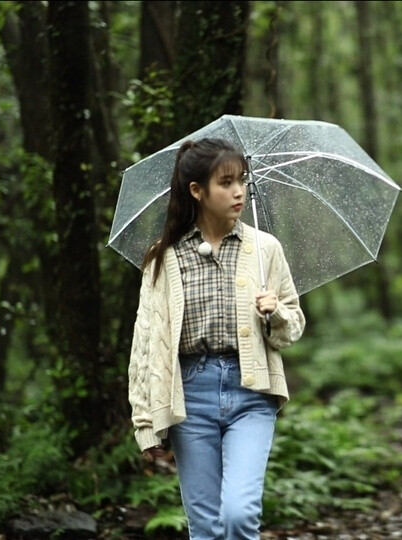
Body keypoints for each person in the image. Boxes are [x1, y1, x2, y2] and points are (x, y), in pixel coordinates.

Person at [128, 138, 305, 539]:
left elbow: (293, 327)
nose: (238, 190)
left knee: (239, 515)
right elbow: (146, 343)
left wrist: (274, 311)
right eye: (226, 182)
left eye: (242, 180)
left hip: (251, 392)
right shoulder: (164, 257)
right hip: (190, 397)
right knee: (205, 527)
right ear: (197, 190)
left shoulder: (265, 249)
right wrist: (145, 423)